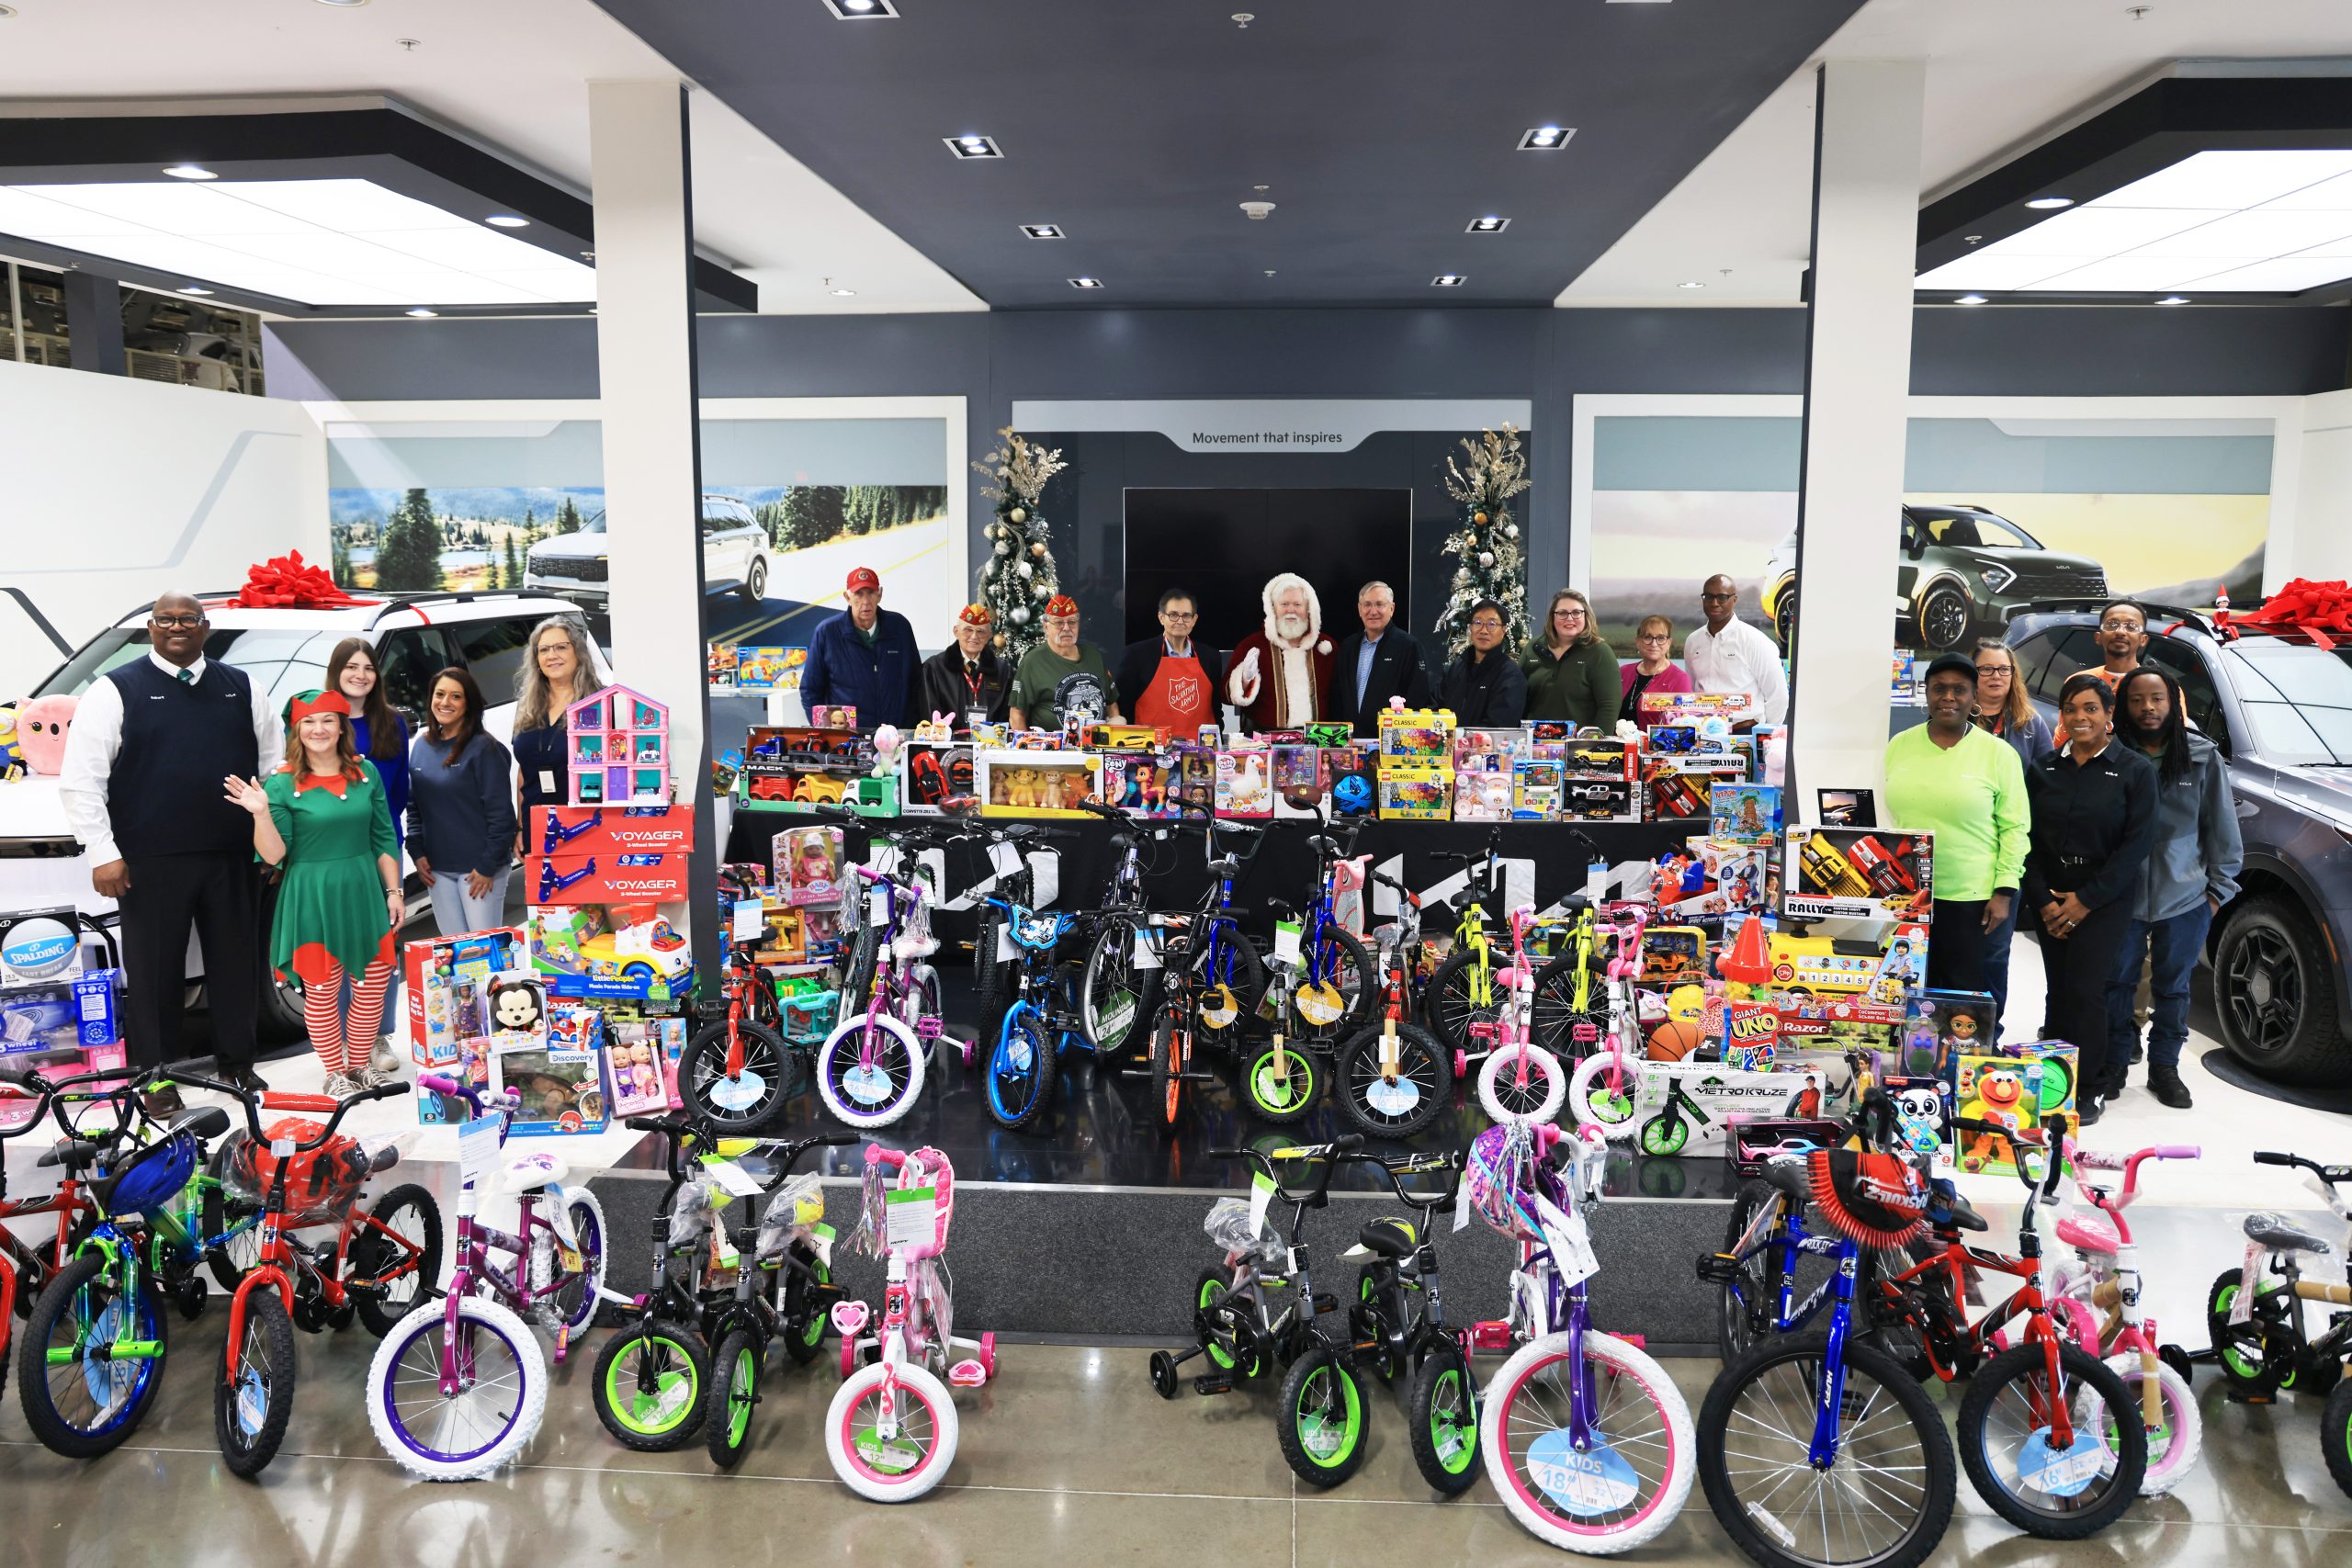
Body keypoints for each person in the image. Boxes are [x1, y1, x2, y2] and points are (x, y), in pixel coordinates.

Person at [57, 591, 279, 1089]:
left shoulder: (243, 687)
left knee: (236, 965)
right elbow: (82, 781)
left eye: (188, 619)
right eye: (165, 619)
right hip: (149, 861)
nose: (177, 627)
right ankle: (155, 1080)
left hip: (233, 855)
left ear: (205, 628)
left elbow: (273, 769)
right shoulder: (115, 690)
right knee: (155, 972)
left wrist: (270, 841)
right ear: (151, 628)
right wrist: (102, 853)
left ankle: (237, 1066)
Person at [223, 691, 402, 1096]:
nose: (318, 729)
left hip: (363, 891)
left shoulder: (366, 773)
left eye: (327, 720)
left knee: (372, 987)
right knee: (322, 991)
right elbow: (274, 854)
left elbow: (383, 836)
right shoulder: (281, 783)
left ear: (342, 727)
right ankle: (335, 1073)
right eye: (309, 722)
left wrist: (394, 891)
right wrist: (261, 813)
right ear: (297, 730)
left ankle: (360, 1067)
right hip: (311, 896)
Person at [2022, 671, 2155, 1126]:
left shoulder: (2134, 770)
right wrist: (2042, 899)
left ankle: (2089, 1086)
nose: (2080, 717)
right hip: (2049, 897)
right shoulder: (2044, 768)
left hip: (2103, 900)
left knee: (2085, 990)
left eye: (2090, 708)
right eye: (2071, 709)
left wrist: (2085, 900)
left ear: (2108, 714)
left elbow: (2136, 846)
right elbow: (2026, 837)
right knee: (2058, 990)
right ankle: (2051, 1083)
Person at [2109, 666, 2241, 1111]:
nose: (2147, 707)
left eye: (2157, 698)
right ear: (2124, 706)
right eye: (2137, 700)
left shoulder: (2202, 756)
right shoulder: (2113, 755)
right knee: (2117, 983)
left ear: (2173, 704)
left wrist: (2216, 893)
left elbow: (2221, 828)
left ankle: (2164, 1067)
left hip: (2185, 897)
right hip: (2121, 897)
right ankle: (2113, 1063)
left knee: (2173, 988)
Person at [1883, 654, 2029, 996]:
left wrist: (2004, 892)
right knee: (1911, 989)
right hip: (1910, 895)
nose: (1948, 697)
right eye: (1939, 688)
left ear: (1974, 696)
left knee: (1967, 998)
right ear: (1927, 693)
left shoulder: (1999, 754)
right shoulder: (1899, 745)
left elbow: (2015, 828)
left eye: (1959, 689)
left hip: (1973, 898)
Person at [1970, 637, 2053, 1034]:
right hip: (1963, 844)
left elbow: (2045, 788)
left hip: (2008, 851)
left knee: (1994, 952)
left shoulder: (2030, 725)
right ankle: (1948, 1032)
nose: (1995, 676)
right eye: (1986, 669)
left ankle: (1989, 1035)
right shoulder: (1956, 719)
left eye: (2003, 669)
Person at [407, 668, 518, 936]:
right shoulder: (421, 746)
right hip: (437, 869)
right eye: (439, 694)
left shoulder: (485, 749)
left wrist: (487, 866)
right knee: (454, 950)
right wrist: (417, 852)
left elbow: (502, 815)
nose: (445, 702)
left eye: (455, 696)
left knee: (483, 951)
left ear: (469, 703)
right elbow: (415, 807)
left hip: (479, 870)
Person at [510, 615, 605, 859]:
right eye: (544, 650)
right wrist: (521, 826)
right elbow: (524, 771)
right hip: (537, 826)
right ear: (536, 659)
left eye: (561, 647)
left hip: (586, 826)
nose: (552, 655)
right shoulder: (527, 706)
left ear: (578, 652)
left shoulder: (601, 703)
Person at [800, 566, 922, 730]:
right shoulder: (827, 632)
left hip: (895, 735)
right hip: (849, 738)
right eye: (858, 594)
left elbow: (916, 682)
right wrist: (827, 732)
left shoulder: (900, 627)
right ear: (847, 597)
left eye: (871, 593)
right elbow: (810, 690)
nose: (865, 602)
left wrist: (911, 728)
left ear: (879, 594)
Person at [1222, 572, 1335, 731]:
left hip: (1318, 738)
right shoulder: (1252, 645)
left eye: (1298, 604)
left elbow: (1341, 696)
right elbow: (1225, 697)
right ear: (1273, 609)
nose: (1291, 610)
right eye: (1284, 604)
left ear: (1308, 609)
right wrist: (1245, 679)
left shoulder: (1327, 647)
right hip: (1262, 739)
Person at [329, 637, 410, 855]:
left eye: (369, 668)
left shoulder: (394, 722)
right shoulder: (319, 723)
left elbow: (400, 788)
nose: (361, 675)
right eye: (351, 667)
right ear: (336, 670)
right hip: (334, 844)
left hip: (383, 840)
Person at [1327, 580, 1433, 736]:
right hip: (1349, 741)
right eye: (1367, 605)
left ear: (1392, 608)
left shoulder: (1409, 646)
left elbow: (1418, 699)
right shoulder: (1348, 647)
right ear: (1359, 609)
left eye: (1379, 604)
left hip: (1392, 742)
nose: (1373, 611)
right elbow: (1337, 696)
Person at [1681, 575, 1787, 724]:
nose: (1715, 603)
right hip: (1701, 730)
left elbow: (1778, 696)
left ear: (1734, 599)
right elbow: (1692, 690)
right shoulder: (1693, 641)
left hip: (1745, 732)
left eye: (1722, 597)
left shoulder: (1755, 641)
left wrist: (1765, 734)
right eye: (1709, 597)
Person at [1009, 595, 1122, 731]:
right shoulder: (1033, 661)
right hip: (1052, 744)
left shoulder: (1093, 655)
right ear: (1046, 627)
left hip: (1095, 742)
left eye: (1072, 622)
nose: (1066, 628)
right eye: (1059, 623)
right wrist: (1028, 744)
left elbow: (1111, 704)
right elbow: (1016, 715)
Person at [1116, 587, 1217, 734]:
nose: (1180, 621)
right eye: (1173, 615)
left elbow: (1215, 708)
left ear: (1194, 620)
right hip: (1151, 745)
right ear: (1161, 617)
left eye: (1186, 616)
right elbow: (1124, 705)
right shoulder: (1136, 655)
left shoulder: (1210, 656)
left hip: (1200, 745)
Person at [1521, 589, 1620, 730]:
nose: (1569, 618)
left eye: (1576, 612)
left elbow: (1609, 707)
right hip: (1536, 739)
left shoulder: (1600, 652)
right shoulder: (1533, 647)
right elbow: (1517, 696)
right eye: (1562, 613)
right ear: (1552, 617)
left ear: (1586, 616)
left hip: (1579, 742)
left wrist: (1596, 741)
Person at [918, 604, 1011, 729]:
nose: (974, 636)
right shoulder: (934, 668)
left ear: (989, 636)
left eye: (980, 631)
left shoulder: (1003, 670)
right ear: (956, 632)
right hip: (948, 740)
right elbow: (930, 715)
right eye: (968, 630)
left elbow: (1007, 715)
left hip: (991, 740)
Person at [1439, 600, 1527, 725]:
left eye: (1491, 624)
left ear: (1504, 630)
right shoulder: (1457, 666)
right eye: (1478, 623)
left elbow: (1500, 724)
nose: (1483, 630)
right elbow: (1437, 706)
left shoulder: (1510, 674)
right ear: (1470, 628)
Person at [1618, 614, 1694, 726]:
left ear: (1669, 643)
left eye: (1661, 638)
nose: (1654, 644)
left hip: (1656, 738)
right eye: (1647, 637)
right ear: (1638, 642)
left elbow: (1682, 725)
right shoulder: (1622, 672)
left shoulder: (1680, 679)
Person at [2090, 600, 2149, 686]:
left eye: (2131, 627)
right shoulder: (2079, 683)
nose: (2120, 631)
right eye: (2112, 625)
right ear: (2098, 637)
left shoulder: (2157, 686)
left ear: (2143, 640)